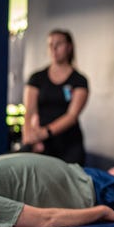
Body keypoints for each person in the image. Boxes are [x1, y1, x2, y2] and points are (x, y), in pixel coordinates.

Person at [22, 29, 89, 166]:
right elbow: (30, 111)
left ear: (69, 47)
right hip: (41, 144)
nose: (54, 48)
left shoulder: (79, 80)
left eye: (59, 44)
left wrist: (46, 132)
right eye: (50, 44)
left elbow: (72, 115)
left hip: (69, 145)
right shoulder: (37, 78)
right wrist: (30, 137)